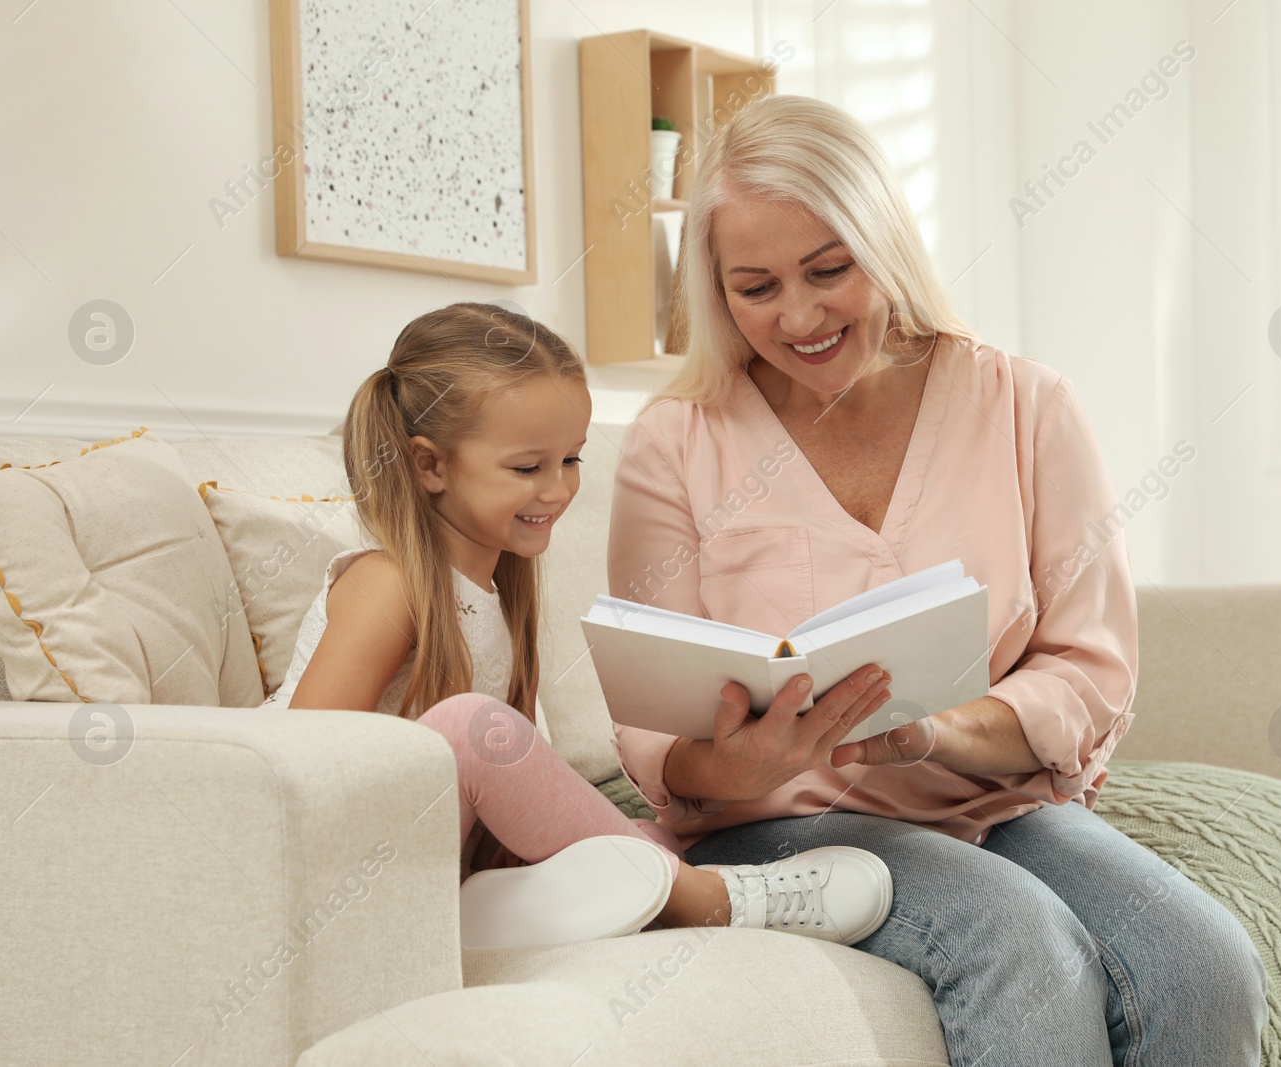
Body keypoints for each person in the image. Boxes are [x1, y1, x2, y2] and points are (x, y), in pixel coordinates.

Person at [607, 96, 1267, 1065]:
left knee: (1204, 958)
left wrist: (935, 732)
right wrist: (737, 765)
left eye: (829, 270)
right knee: (1021, 944)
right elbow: (647, 712)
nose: (798, 315)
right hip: (783, 826)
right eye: (755, 287)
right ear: (715, 290)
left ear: (885, 239)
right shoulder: (675, 441)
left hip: (988, 804)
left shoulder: (1024, 407)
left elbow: (1089, 665)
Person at [265, 302, 895, 951]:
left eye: (572, 460)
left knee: (642, 838)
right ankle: (707, 900)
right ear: (431, 466)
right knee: (470, 729)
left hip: (426, 867)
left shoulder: (489, 592)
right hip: (320, 872)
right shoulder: (386, 583)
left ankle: (499, 911)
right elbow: (306, 766)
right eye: (527, 467)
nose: (558, 489)